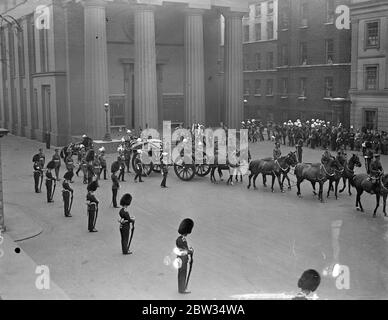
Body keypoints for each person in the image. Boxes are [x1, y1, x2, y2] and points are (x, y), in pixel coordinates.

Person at [175, 218, 194, 294]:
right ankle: (182, 289)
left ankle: (181, 288)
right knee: (183, 274)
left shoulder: (179, 239)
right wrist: (191, 251)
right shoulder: (183, 240)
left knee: (180, 274)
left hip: (179, 258)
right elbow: (185, 251)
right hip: (183, 259)